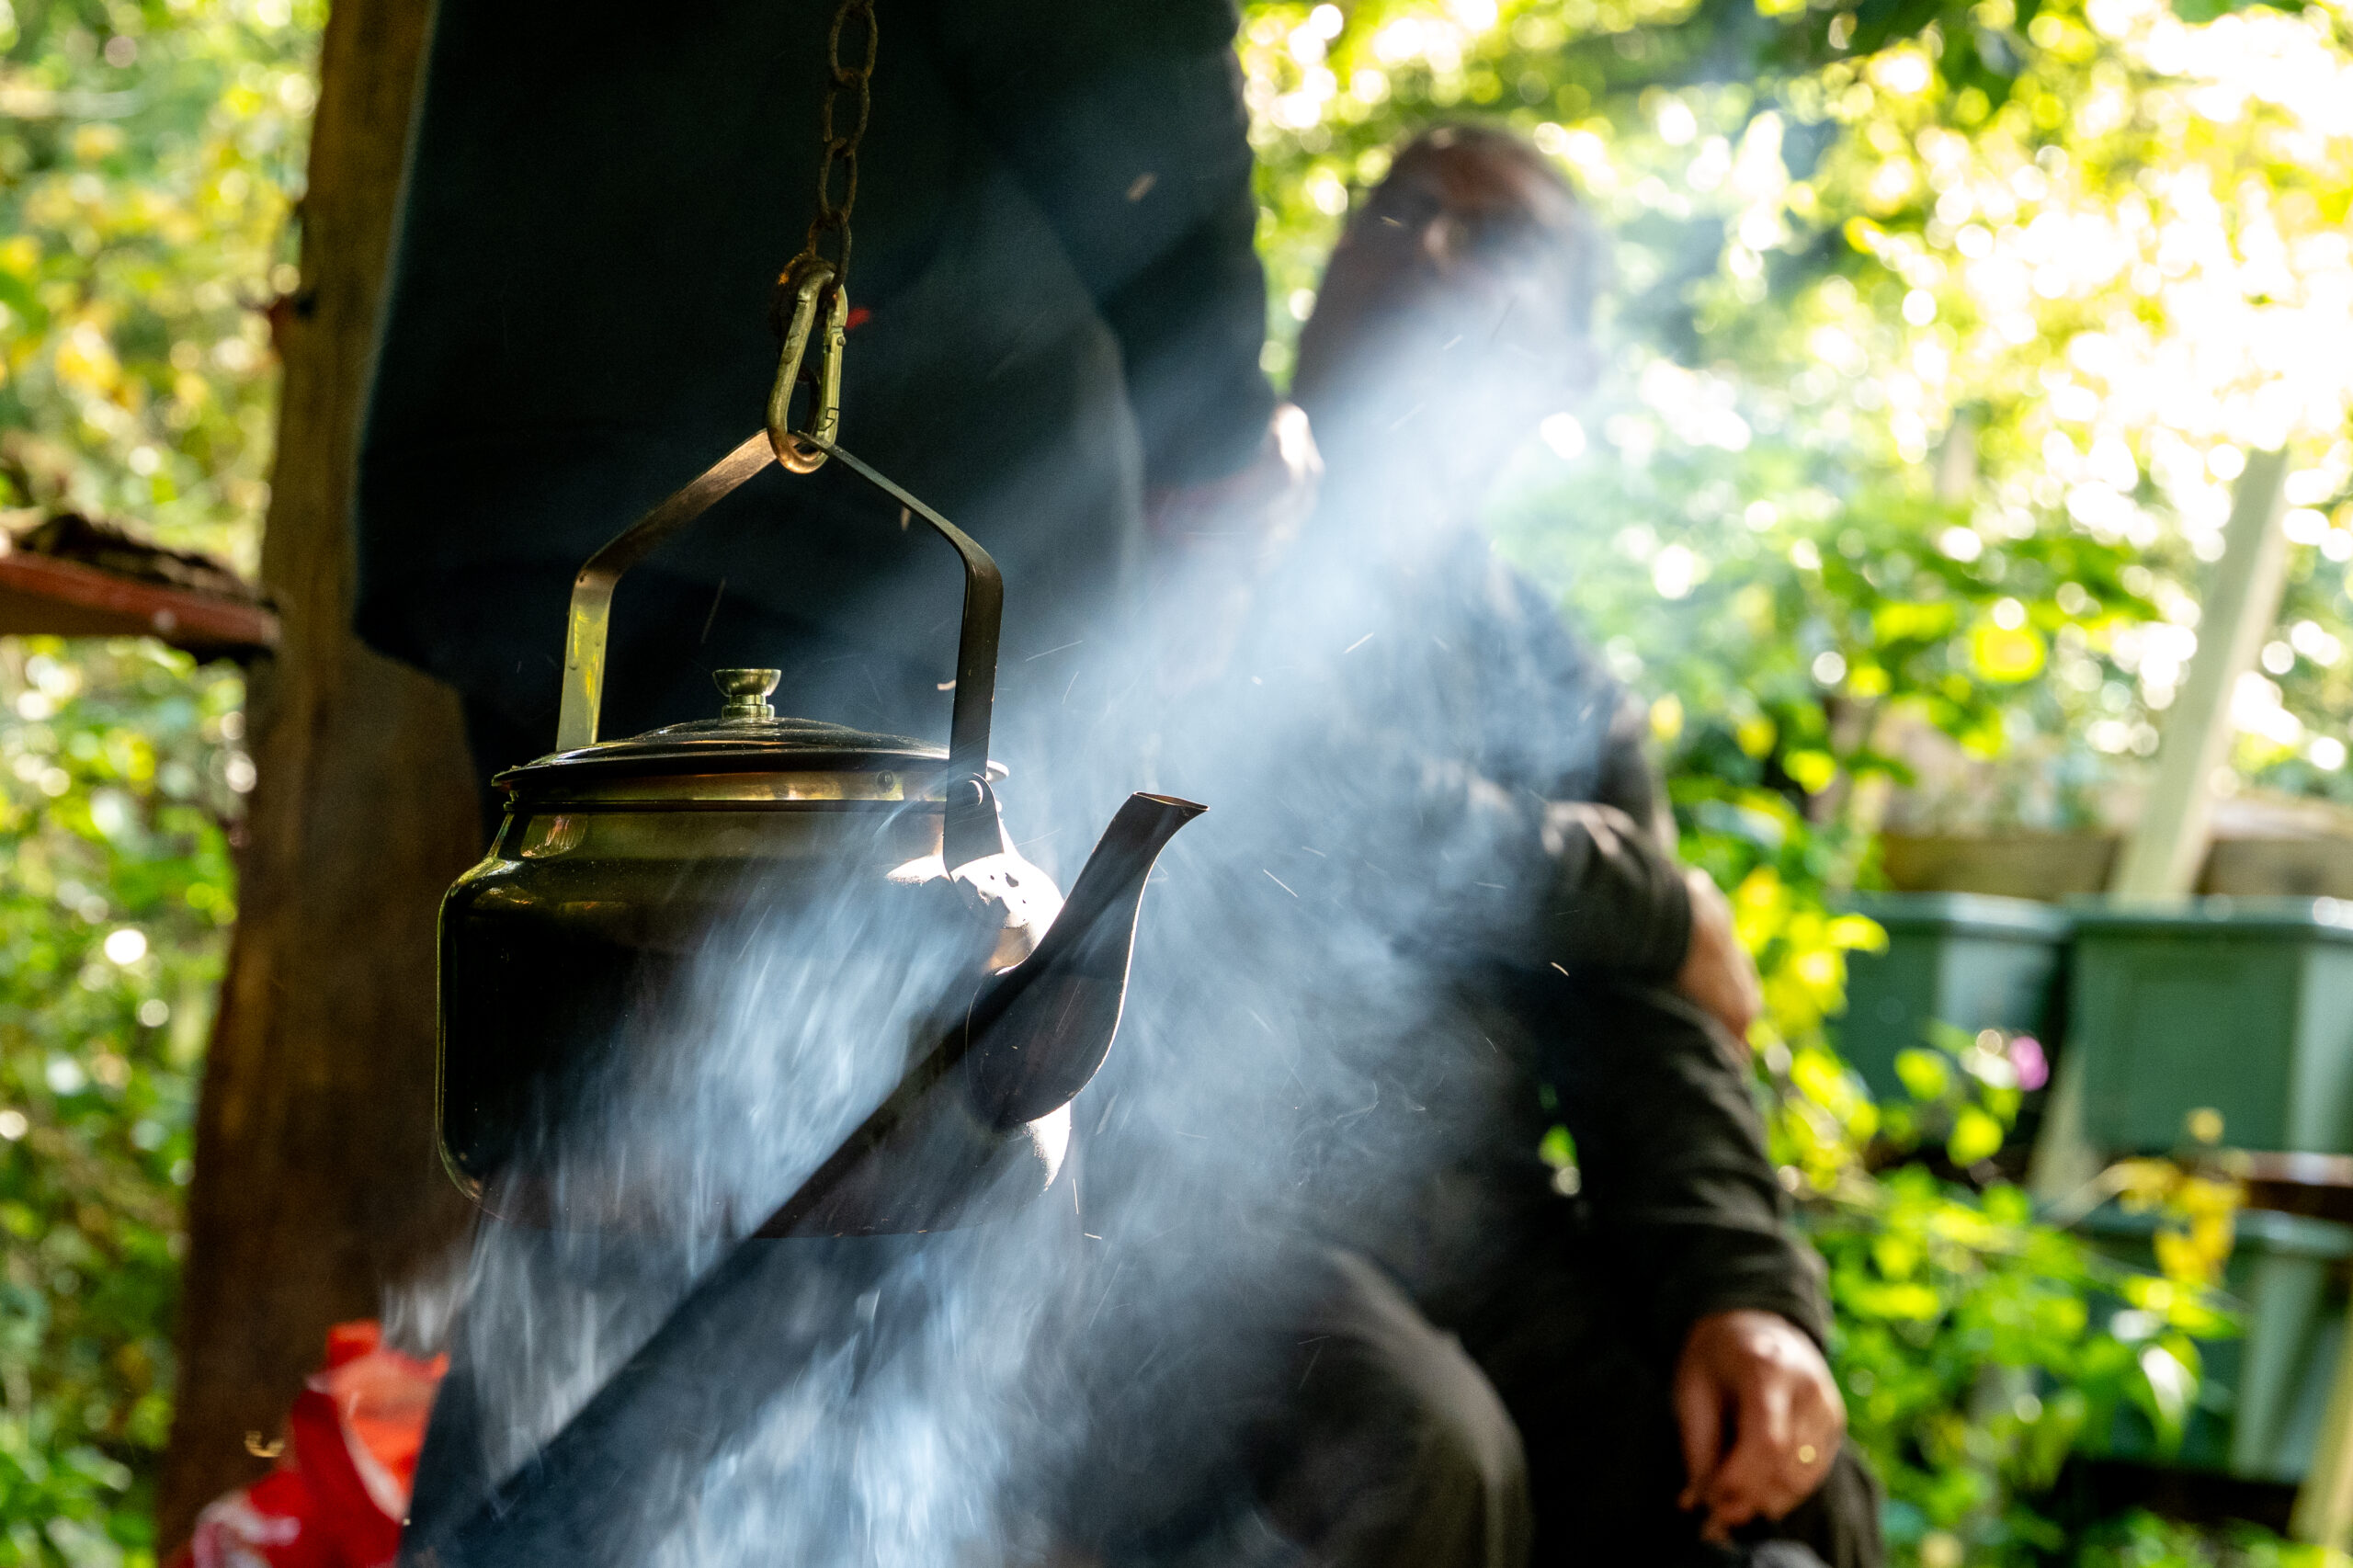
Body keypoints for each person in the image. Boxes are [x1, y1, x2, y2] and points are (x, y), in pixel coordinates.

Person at [1087, 126, 1884, 1568]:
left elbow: (1654, 1029)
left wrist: (1745, 1291)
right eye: (1392, 212)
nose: (1421, 245)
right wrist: (1651, 892)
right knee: (1426, 1453)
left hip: (1474, 1233)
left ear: (1565, 373)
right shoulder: (1201, 512)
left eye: (1489, 237)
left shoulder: (1552, 666)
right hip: (1171, 1214)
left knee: (1775, 1475)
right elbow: (1275, 777)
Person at [355, 0, 1290, 837]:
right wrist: (1219, 424)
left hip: (523, 415)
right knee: (904, 975)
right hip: (866, 503)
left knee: (581, 939)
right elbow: (1118, 45)